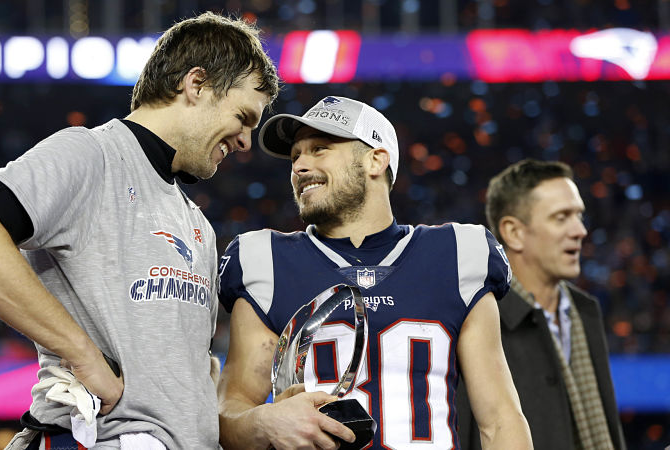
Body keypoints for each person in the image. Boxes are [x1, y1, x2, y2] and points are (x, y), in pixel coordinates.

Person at [0, 12, 278, 449]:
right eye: (243, 117)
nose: (246, 141)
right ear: (196, 84)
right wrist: (81, 353)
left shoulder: (197, 223)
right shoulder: (92, 154)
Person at [216, 96, 532, 449]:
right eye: (295, 156)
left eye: (319, 149)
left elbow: (500, 419)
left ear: (376, 160)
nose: (300, 166)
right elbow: (229, 413)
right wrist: (264, 421)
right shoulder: (267, 261)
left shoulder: (458, 253)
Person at [456, 159, 626, 450]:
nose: (580, 231)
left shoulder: (585, 311)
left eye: (579, 216)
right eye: (562, 217)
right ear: (514, 232)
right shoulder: (477, 317)